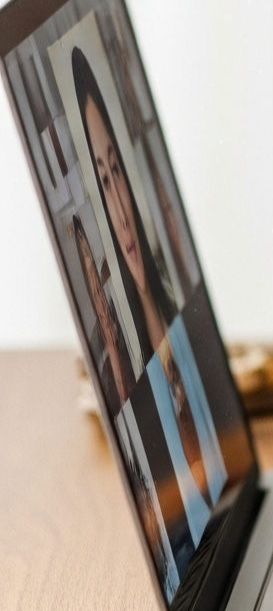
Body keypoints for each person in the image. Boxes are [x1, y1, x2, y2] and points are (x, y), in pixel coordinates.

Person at [70, 46, 177, 367]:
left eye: (116, 170)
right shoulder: (128, 365)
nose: (121, 214)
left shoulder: (175, 308)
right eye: (104, 181)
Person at [70, 216, 132, 419]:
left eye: (99, 285)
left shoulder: (125, 320)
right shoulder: (100, 357)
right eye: (94, 289)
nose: (99, 292)